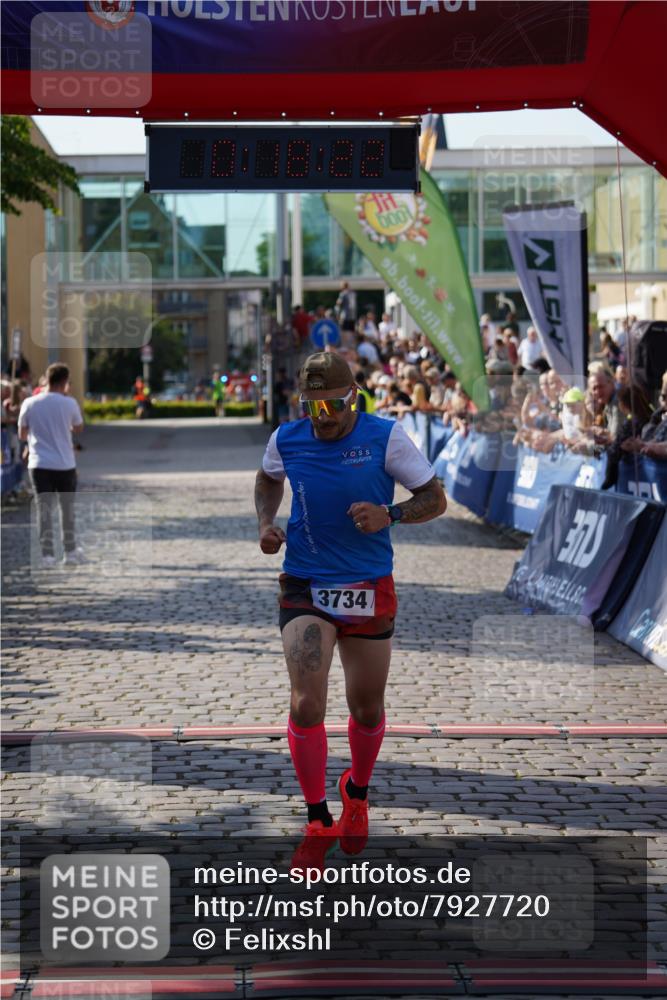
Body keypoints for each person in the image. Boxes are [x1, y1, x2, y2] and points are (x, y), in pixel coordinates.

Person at [254, 352, 446, 872]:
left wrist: (391, 514)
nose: (324, 416)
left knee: (366, 708)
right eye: (313, 406)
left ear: (353, 396)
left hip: (368, 586)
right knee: (305, 704)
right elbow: (268, 476)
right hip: (305, 585)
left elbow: (435, 497)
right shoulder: (286, 438)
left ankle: (355, 792)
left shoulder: (386, 437)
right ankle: (318, 819)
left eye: (334, 405)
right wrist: (266, 522)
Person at [17, 363, 84, 566]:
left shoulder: (29, 403)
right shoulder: (69, 403)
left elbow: (22, 434)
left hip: (39, 464)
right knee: (67, 509)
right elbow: (79, 428)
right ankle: (70, 553)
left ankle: (47, 555)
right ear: (64, 381)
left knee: (43, 509)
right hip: (65, 464)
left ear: (47, 378)